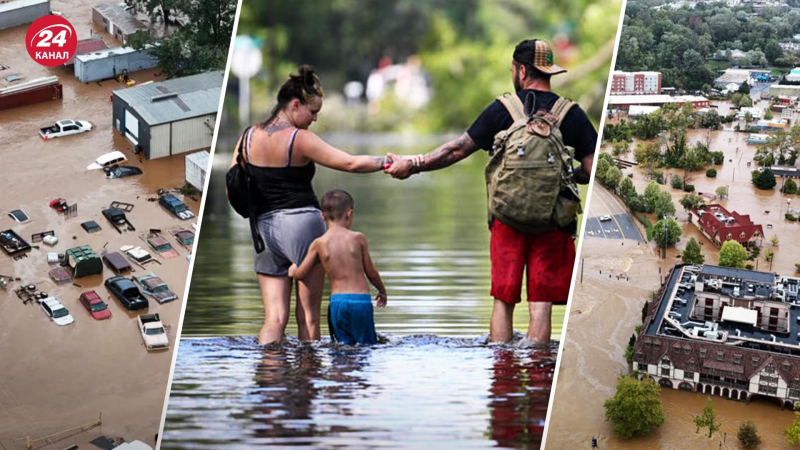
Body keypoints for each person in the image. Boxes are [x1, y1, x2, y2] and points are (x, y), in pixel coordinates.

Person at [385, 39, 596, 344]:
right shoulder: (572, 114)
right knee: (541, 306)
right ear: (549, 71)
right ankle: (538, 377)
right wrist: (565, 178)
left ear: (521, 70)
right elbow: (591, 168)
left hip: (506, 220)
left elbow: (456, 150)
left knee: (504, 300)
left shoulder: (503, 109)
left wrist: (413, 164)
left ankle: (502, 371)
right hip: (553, 222)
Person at [231, 66, 388, 344]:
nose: (314, 119)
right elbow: (349, 162)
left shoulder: (247, 137)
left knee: (274, 319)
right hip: (302, 226)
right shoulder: (298, 138)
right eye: (313, 112)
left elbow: (234, 182)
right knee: (308, 317)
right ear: (295, 104)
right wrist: (386, 162)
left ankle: (271, 384)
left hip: (262, 232)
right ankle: (308, 383)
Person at [289, 189, 387, 345]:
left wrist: (293, 270)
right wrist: (382, 290)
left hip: (337, 303)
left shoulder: (319, 243)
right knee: (366, 346)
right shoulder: (358, 238)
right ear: (349, 213)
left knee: (341, 348)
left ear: (322, 216)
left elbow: (301, 274)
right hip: (360, 302)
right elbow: (371, 272)